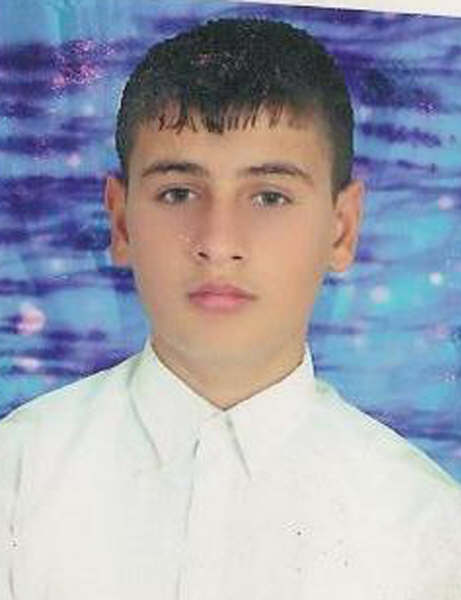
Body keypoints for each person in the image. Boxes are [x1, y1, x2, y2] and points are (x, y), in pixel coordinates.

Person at [1, 17, 460, 600]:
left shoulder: (430, 532)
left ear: (341, 229)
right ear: (121, 222)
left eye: (269, 196)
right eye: (178, 193)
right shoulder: (16, 479)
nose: (218, 243)